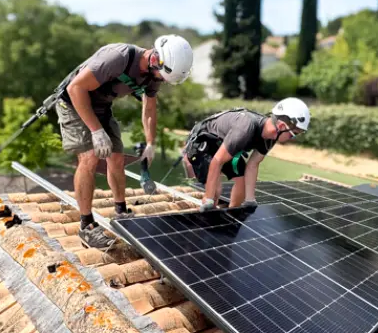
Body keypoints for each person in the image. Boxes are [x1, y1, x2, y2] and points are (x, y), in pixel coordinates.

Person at [56, 35, 193, 247]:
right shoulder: (118, 58)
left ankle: (121, 212)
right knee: (90, 158)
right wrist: (96, 131)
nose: (161, 80)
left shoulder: (155, 75)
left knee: (117, 157)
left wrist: (151, 143)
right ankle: (86, 226)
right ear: (155, 59)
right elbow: (76, 88)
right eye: (162, 75)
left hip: (101, 106)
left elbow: (149, 109)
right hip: (75, 104)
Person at [183, 98, 310, 211]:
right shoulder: (246, 127)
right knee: (214, 193)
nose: (293, 138)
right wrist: (208, 198)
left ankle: (231, 216)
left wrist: (250, 199)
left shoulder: (270, 137)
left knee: (242, 181)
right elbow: (217, 161)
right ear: (282, 126)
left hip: (226, 145)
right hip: (204, 143)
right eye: (294, 134)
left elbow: (253, 165)